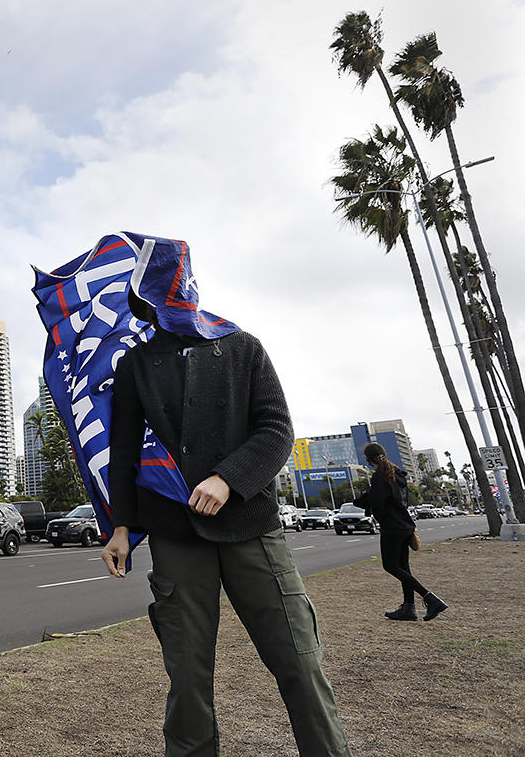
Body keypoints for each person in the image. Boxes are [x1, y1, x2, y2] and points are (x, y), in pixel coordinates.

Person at [101, 281, 350, 757]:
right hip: (175, 532)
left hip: (251, 524)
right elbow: (125, 451)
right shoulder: (137, 364)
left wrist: (227, 479)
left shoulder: (241, 346)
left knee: (299, 658)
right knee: (188, 675)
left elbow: (278, 429)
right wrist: (120, 528)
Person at [354, 442, 447, 622]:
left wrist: (363, 501)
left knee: (390, 566)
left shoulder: (380, 476)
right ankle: (408, 608)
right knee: (404, 568)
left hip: (392, 527)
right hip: (405, 525)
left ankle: (430, 598)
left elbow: (377, 501)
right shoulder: (397, 473)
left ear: (367, 459)